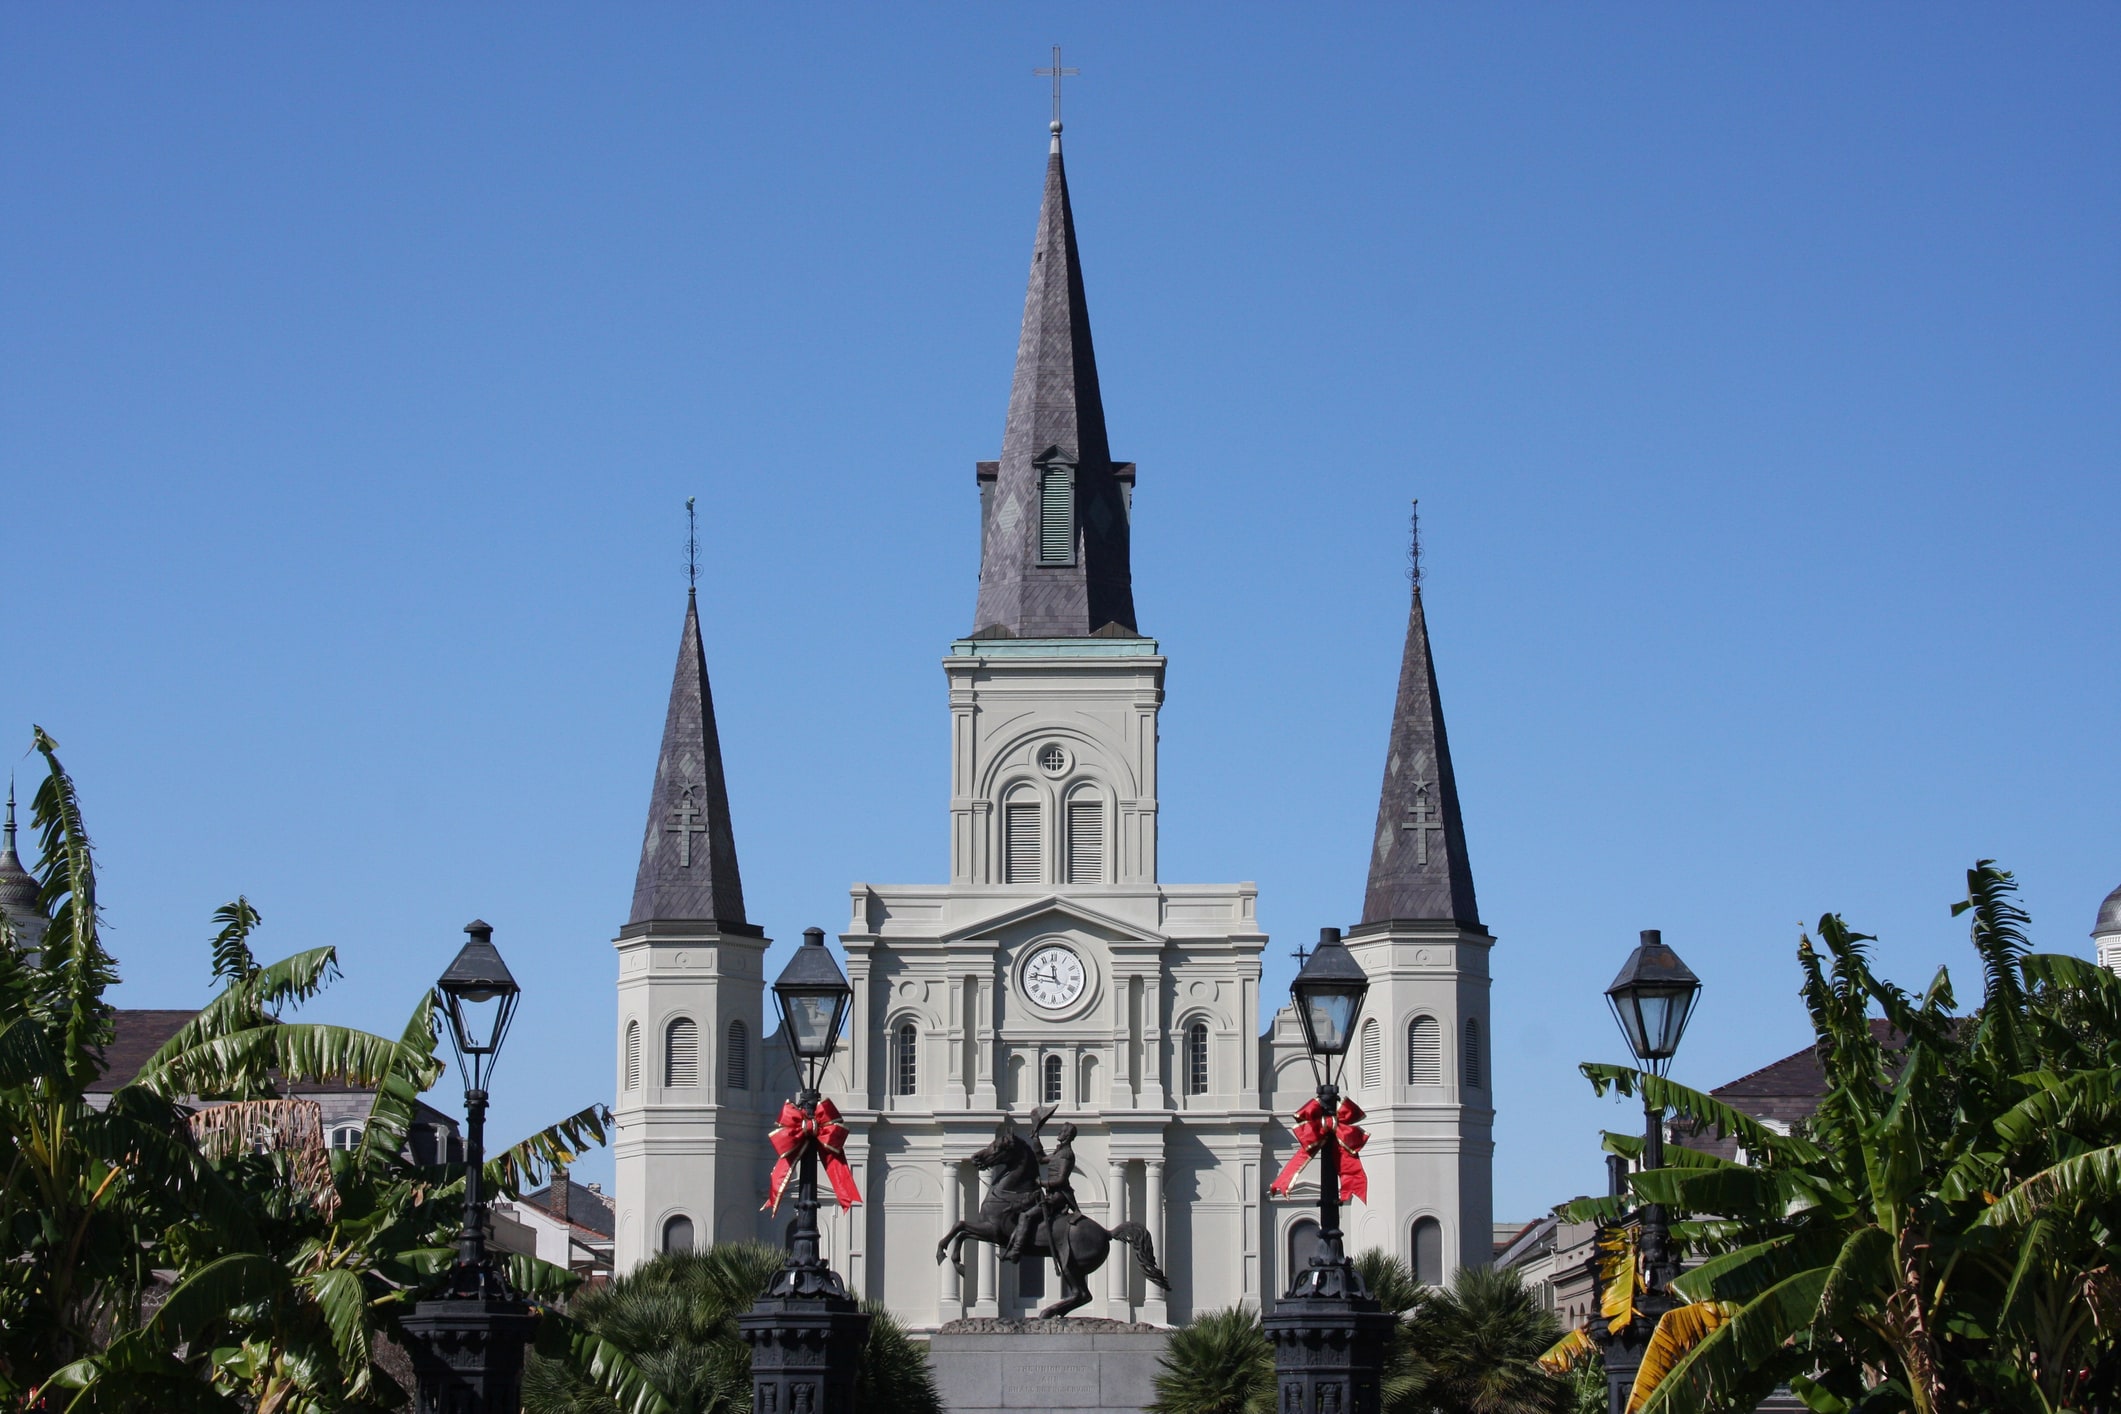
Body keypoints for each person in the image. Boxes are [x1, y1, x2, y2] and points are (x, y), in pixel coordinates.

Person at [1004, 1121, 1080, 1272]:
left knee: (1026, 1216)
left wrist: (1042, 1182)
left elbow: (1061, 1180)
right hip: (1051, 1193)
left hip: (1059, 1196)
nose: (1060, 1132)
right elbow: (1041, 1159)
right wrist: (1036, 1139)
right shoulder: (1059, 1152)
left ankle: (1017, 1251)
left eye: (1062, 1131)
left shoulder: (1066, 1154)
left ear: (1067, 1135)